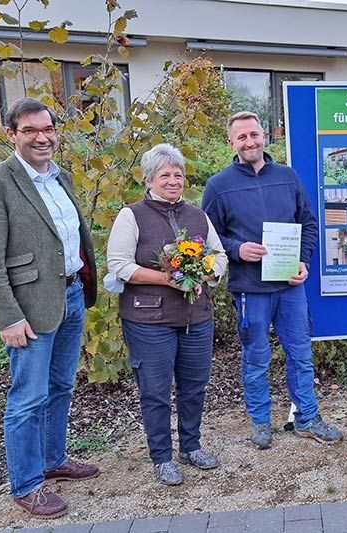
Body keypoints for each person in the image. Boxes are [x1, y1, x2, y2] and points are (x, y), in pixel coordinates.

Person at [0, 98, 98, 518]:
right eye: (30, 131)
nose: (42, 137)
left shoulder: (60, 178)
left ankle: (52, 459)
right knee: (28, 397)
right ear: (12, 135)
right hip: (28, 308)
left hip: (71, 294)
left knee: (61, 387)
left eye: (48, 129)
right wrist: (8, 316)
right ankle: (26, 483)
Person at [202, 111, 342, 449]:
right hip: (251, 289)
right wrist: (237, 249)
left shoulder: (288, 177)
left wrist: (304, 261)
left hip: (290, 286)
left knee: (301, 353)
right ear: (231, 143)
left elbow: (308, 224)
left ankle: (306, 418)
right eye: (242, 137)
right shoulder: (219, 186)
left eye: (254, 134)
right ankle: (260, 422)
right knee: (256, 356)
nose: (249, 142)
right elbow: (207, 236)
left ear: (264, 136)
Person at [106, 143, 228, 485]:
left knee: (194, 387)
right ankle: (162, 457)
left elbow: (219, 257)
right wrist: (169, 279)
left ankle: (190, 446)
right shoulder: (132, 215)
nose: (173, 180)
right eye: (165, 175)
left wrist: (202, 273)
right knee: (156, 391)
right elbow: (119, 265)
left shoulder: (197, 215)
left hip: (196, 319)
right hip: (148, 321)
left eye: (178, 174)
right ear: (148, 179)